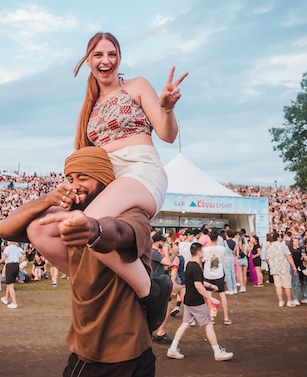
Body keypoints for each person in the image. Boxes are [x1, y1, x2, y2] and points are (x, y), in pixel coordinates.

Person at [27, 32, 187, 307]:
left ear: (119, 58)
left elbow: (167, 134)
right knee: (39, 229)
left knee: (88, 223)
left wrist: (167, 109)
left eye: (112, 54)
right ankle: (97, 279)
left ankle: (150, 294)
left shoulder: (136, 85)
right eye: (98, 55)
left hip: (140, 170)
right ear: (88, 60)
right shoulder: (89, 108)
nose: (106, 60)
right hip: (109, 182)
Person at [0, 146, 165, 377]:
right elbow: (4, 229)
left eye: (83, 177)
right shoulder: (66, 220)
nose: (75, 186)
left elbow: (121, 233)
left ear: (104, 178)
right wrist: (48, 199)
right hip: (84, 355)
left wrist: (93, 228)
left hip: (121, 361)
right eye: (70, 178)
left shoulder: (132, 214)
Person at [166, 243, 234, 361]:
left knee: (185, 324)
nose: (203, 252)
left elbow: (198, 282)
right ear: (198, 252)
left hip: (188, 299)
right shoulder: (196, 267)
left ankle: (173, 348)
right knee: (208, 324)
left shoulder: (190, 265)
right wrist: (210, 297)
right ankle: (217, 351)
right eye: (202, 251)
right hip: (196, 301)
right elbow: (198, 285)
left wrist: (211, 285)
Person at [202, 230, 232, 324]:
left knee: (209, 296)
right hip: (219, 274)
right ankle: (226, 317)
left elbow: (203, 260)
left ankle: (211, 317)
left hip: (208, 274)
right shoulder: (222, 249)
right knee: (222, 294)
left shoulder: (205, 250)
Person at [265, 233, 298, 307]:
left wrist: (272, 265)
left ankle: (280, 301)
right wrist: (294, 266)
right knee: (287, 286)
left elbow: (267, 259)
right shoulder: (283, 246)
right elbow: (289, 256)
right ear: (278, 238)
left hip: (275, 269)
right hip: (284, 268)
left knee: (278, 286)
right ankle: (289, 301)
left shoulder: (270, 248)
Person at [0, 241, 25, 309]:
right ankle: (6, 298)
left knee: (10, 285)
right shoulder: (18, 248)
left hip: (10, 265)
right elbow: (23, 257)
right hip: (16, 265)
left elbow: (4, 258)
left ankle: (14, 302)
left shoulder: (8, 248)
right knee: (10, 283)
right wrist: (18, 261)